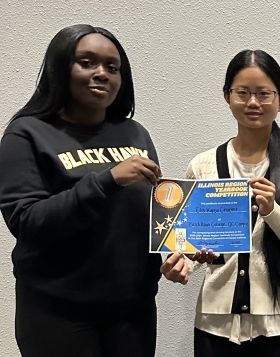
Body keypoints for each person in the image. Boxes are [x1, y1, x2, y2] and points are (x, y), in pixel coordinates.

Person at [0, 24, 163, 356]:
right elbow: (28, 222)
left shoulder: (135, 133)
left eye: (112, 67)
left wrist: (179, 251)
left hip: (133, 312)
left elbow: (154, 213)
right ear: (61, 68)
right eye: (86, 62)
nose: (101, 73)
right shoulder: (26, 134)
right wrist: (107, 179)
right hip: (58, 314)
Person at [160, 50, 280, 357]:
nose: (253, 103)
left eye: (264, 93)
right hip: (216, 324)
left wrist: (272, 212)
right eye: (243, 93)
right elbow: (195, 243)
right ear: (227, 96)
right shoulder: (203, 165)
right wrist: (182, 263)